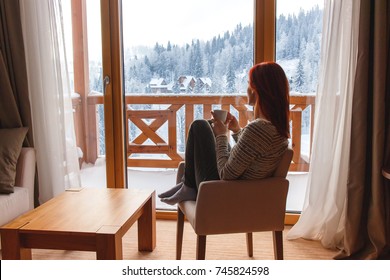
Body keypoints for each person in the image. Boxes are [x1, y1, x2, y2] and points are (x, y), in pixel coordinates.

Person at [159, 62, 290, 205]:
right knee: (209, 125)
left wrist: (221, 135)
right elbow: (252, 155)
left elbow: (226, 174)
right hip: (240, 189)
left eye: (249, 84)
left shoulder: (258, 128)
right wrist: (236, 130)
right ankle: (187, 184)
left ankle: (189, 187)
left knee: (200, 126)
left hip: (224, 193)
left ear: (257, 90)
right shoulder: (275, 128)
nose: (247, 89)